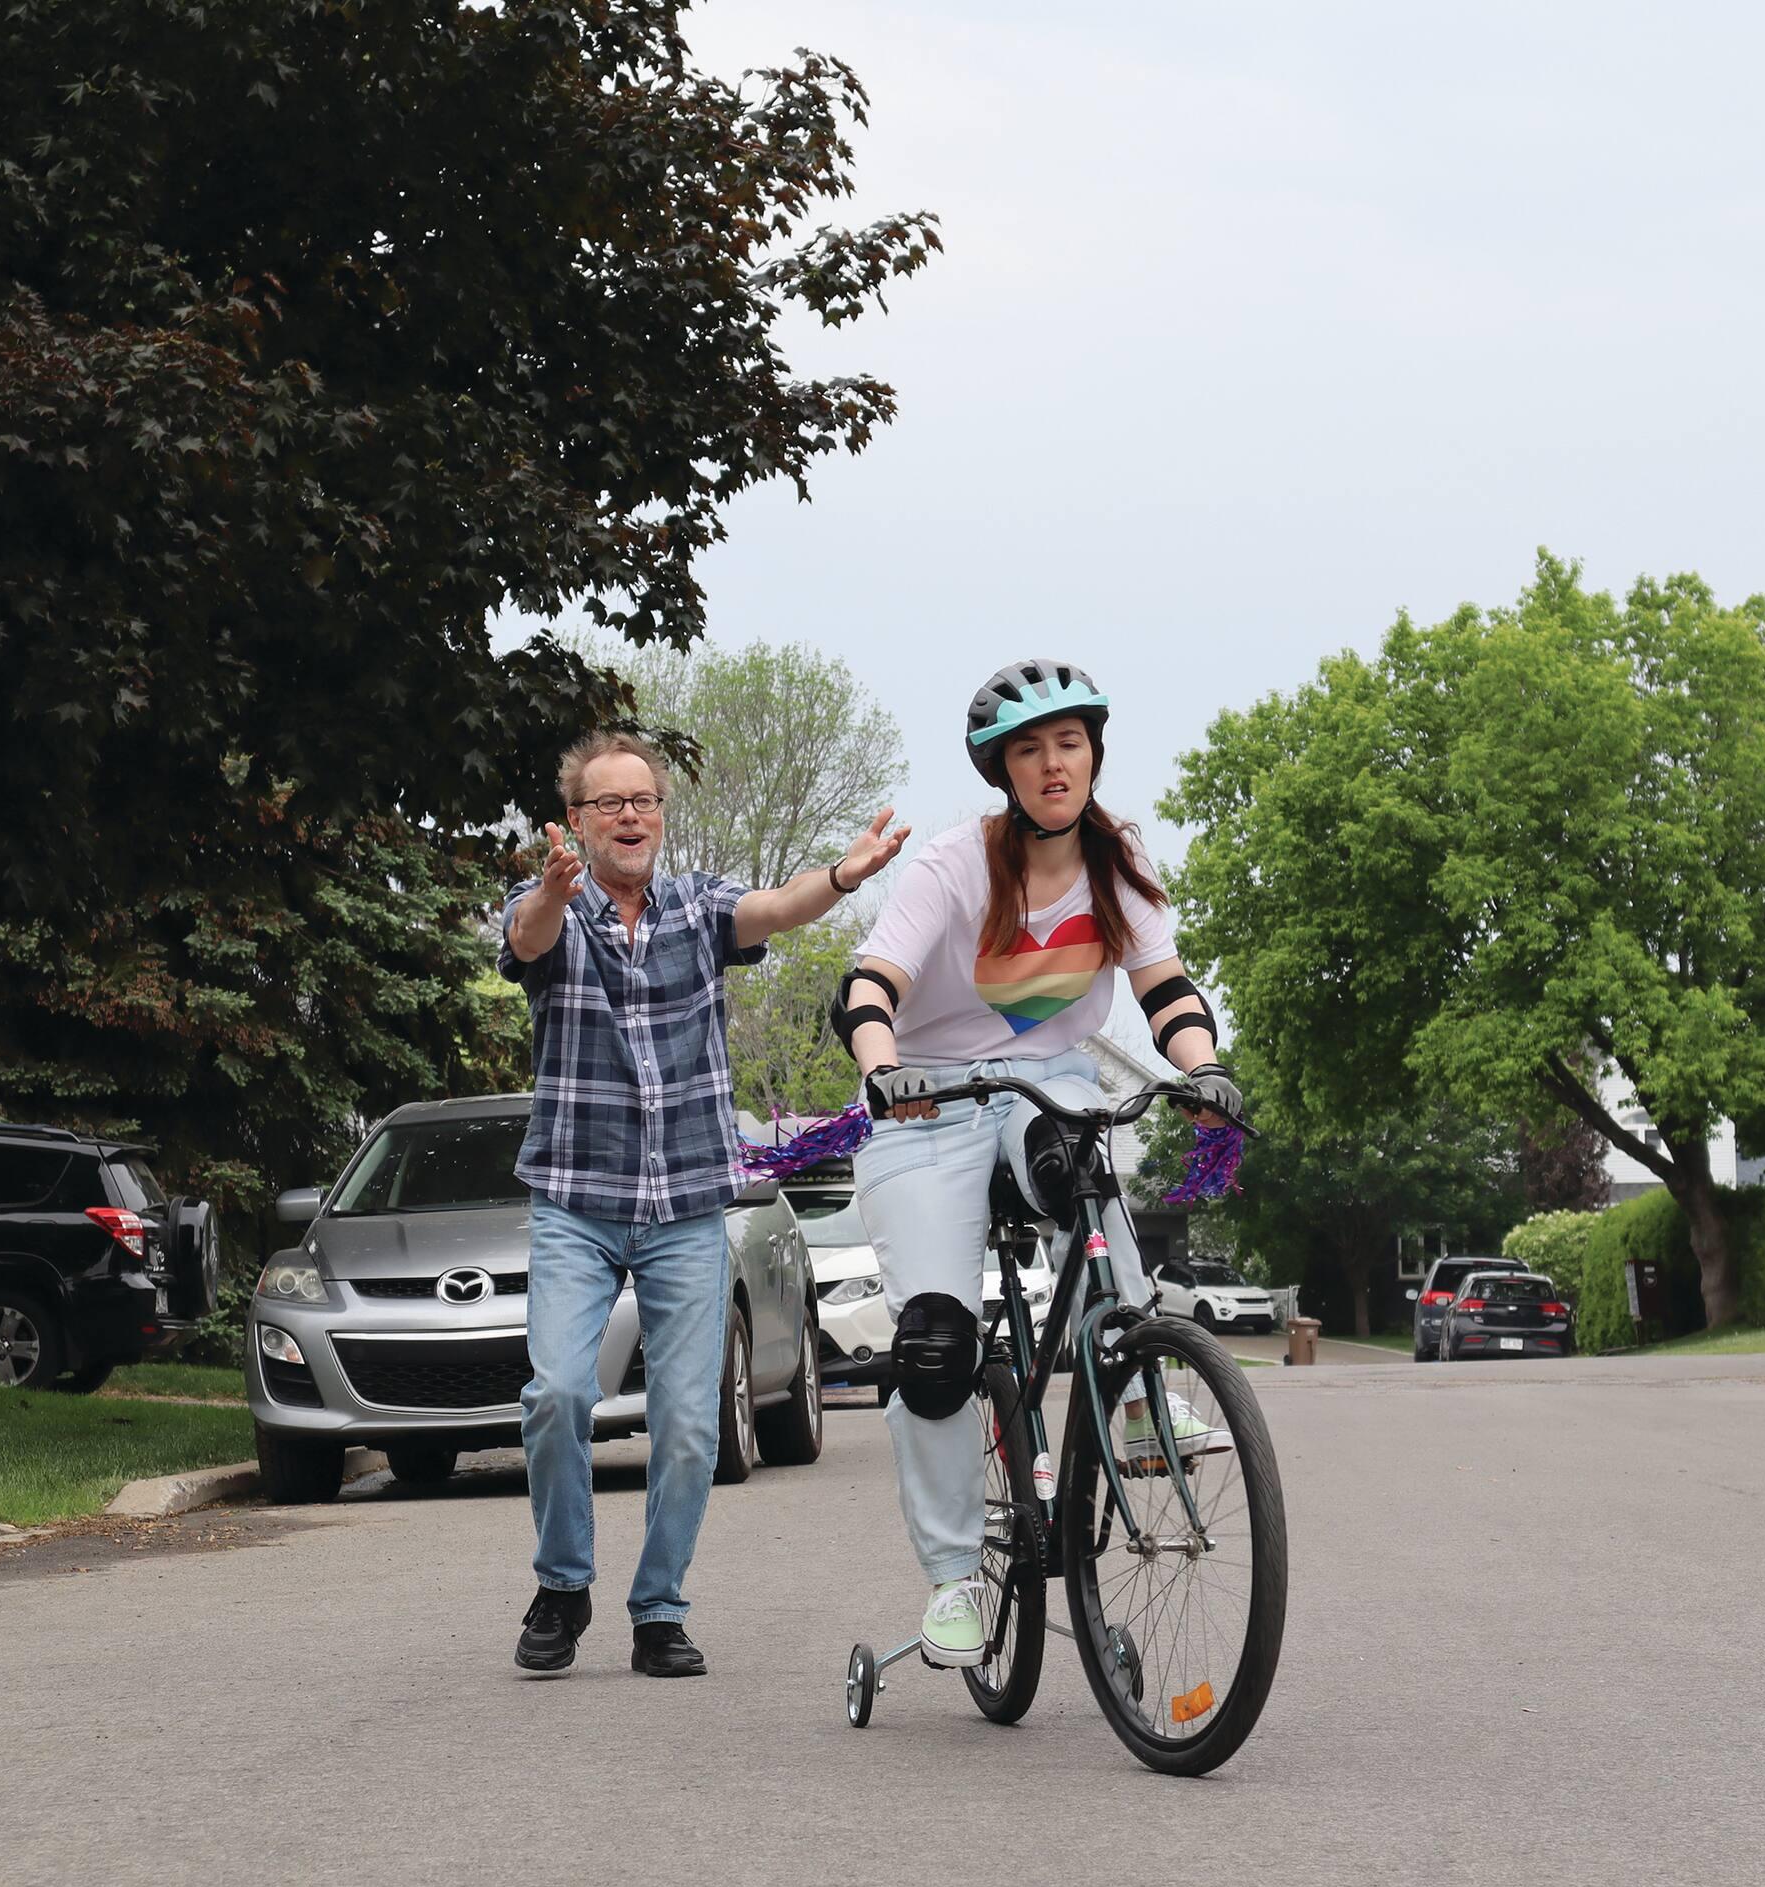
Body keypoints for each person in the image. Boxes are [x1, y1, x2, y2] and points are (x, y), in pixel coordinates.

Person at [833, 659, 1245, 1667]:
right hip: (925, 1101)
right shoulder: (954, 864)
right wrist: (882, 1070)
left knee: (1077, 1167)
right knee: (934, 1345)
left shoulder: (1117, 865)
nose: (1052, 764)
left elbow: (1166, 990)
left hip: (1043, 1085)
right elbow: (869, 982)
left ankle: (1137, 1386)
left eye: (1068, 742)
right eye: (1029, 749)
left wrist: (1203, 1071)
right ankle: (950, 1580)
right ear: (1001, 770)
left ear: (1093, 753)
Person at [500, 727, 908, 1677]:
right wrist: (552, 895)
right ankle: (563, 1585)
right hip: (577, 1201)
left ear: (660, 818)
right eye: (610, 803)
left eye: (644, 801)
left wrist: (843, 876)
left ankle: (658, 1609)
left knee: (689, 1423)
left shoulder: (694, 908)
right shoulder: (553, 912)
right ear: (578, 822)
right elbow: (527, 936)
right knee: (558, 1392)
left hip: (686, 1204)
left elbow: (774, 908)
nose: (631, 816)